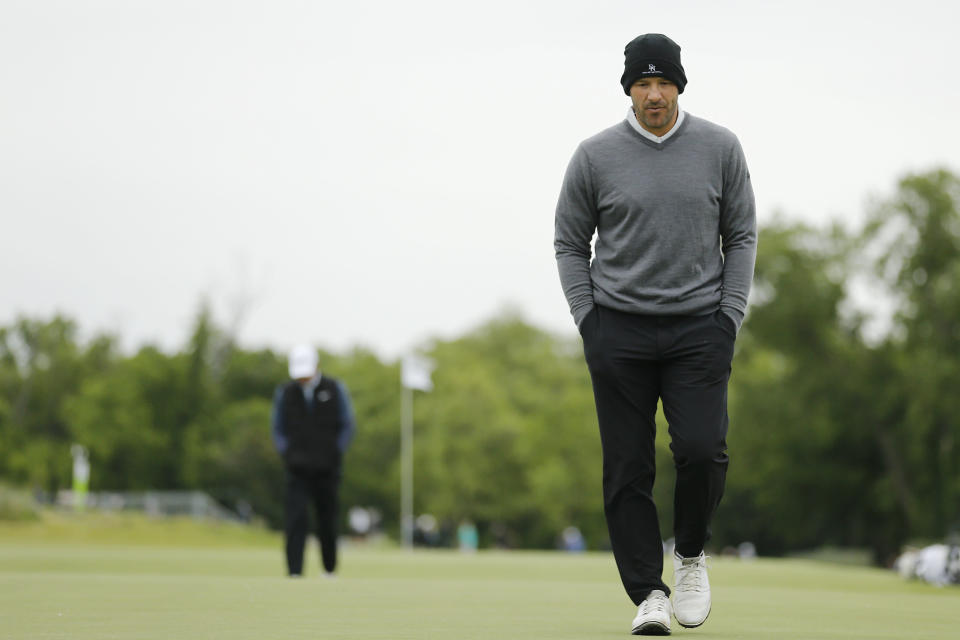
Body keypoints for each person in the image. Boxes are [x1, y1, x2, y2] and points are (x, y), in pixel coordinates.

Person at [554, 33, 757, 635]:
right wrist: (588, 319)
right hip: (618, 328)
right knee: (626, 468)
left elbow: (741, 234)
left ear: (679, 86)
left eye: (663, 82)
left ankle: (690, 554)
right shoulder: (594, 156)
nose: (654, 94)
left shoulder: (721, 147)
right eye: (642, 84)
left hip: (701, 327)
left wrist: (730, 317)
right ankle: (648, 593)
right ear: (628, 90)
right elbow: (569, 242)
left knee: (701, 450)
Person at [271, 344, 356, 577]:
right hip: (296, 467)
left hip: (328, 467)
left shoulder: (336, 389)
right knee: (295, 519)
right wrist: (286, 451)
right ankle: (294, 571)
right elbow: (278, 428)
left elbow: (348, 425)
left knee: (327, 519)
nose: (303, 378)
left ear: (317, 366)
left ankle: (329, 569)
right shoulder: (285, 392)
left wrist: (336, 451)